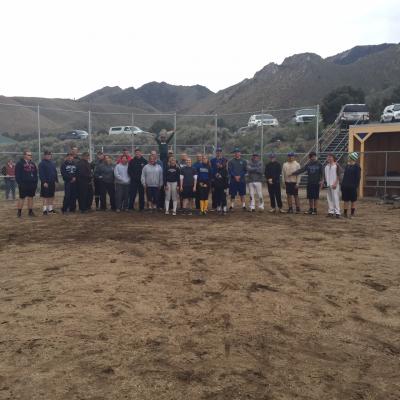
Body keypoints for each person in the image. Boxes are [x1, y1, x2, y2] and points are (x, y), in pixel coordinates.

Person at [15, 150, 38, 218]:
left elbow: (35, 174)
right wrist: (20, 183)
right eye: (29, 155)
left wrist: (35, 182)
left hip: (32, 184)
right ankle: (19, 213)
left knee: (31, 198)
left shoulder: (33, 164)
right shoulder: (19, 163)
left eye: (31, 155)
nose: (30, 156)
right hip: (23, 184)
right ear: (24, 155)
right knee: (22, 198)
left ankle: (30, 212)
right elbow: (17, 175)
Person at [341, 152, 361, 219]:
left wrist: (356, 186)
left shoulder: (357, 167)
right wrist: (343, 185)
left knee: (353, 200)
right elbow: (345, 176)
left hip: (352, 186)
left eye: (349, 157)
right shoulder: (347, 166)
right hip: (345, 186)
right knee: (345, 200)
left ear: (352, 158)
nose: (348, 158)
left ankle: (352, 214)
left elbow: (358, 177)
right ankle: (345, 213)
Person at [39, 150, 59, 215]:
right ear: (44, 156)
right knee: (45, 196)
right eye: (47, 155)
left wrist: (56, 181)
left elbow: (55, 173)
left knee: (51, 196)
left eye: (49, 155)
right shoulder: (42, 163)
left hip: (52, 182)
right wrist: (44, 182)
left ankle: (50, 209)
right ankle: (44, 210)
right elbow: (41, 174)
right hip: (46, 182)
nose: (48, 156)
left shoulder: (52, 163)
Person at [324, 153, 342, 218]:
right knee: (329, 198)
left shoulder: (336, 165)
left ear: (333, 158)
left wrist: (335, 183)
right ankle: (331, 211)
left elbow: (338, 175)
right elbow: (325, 176)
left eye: (330, 157)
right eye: (328, 157)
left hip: (334, 185)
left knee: (335, 198)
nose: (329, 158)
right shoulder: (326, 166)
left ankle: (337, 212)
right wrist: (325, 183)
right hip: (328, 185)